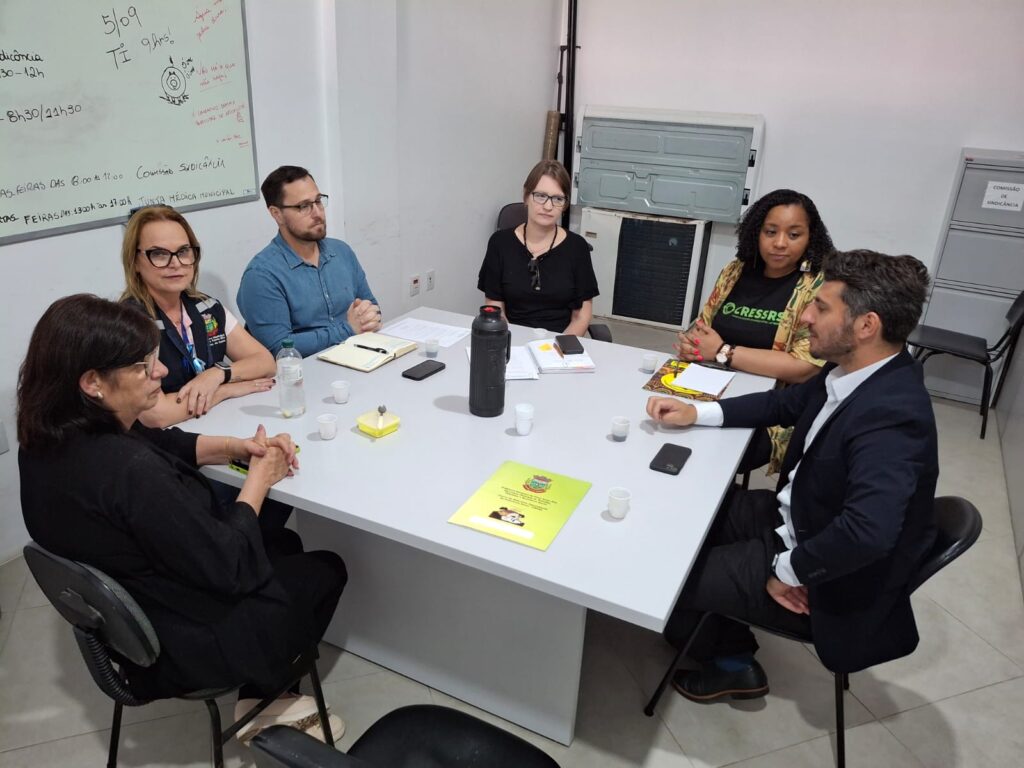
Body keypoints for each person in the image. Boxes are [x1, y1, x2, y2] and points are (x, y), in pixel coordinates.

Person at [17, 295, 347, 742]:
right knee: (326, 568)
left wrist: (235, 446)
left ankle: (267, 689)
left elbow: (164, 443)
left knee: (283, 545)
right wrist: (259, 479)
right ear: (93, 381)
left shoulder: (47, 442)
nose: (162, 373)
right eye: (142, 367)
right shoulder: (130, 473)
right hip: (183, 637)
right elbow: (229, 563)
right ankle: (263, 696)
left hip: (132, 615)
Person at [646, 250, 937, 703]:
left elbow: (868, 533)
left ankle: (731, 664)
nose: (804, 316)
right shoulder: (855, 370)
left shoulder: (894, 414)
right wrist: (696, 412)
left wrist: (788, 571)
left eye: (821, 307)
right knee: (681, 512)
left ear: (866, 325)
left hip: (822, 571)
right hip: (796, 517)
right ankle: (713, 626)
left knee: (669, 573)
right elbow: (780, 405)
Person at [675, 189, 835, 473]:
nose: (780, 243)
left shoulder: (817, 287)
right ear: (755, 233)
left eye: (794, 235)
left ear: (811, 237)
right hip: (710, 384)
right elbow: (704, 326)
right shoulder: (736, 271)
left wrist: (724, 352)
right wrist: (693, 345)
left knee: (710, 455)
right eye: (770, 232)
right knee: (663, 421)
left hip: (773, 408)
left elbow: (804, 367)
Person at [120, 205, 276, 428]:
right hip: (161, 445)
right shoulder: (128, 323)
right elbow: (156, 415)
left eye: (183, 251)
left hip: (212, 424)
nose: (175, 263)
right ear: (134, 261)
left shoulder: (207, 306)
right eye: (159, 254)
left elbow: (265, 362)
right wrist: (224, 390)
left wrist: (216, 375)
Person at [237, 165, 381, 357]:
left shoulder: (341, 252)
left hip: (360, 357)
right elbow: (279, 347)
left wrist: (370, 316)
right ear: (276, 214)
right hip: (304, 374)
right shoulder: (261, 275)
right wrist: (348, 329)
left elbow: (371, 306)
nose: (317, 213)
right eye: (304, 206)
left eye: (318, 201)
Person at [477, 160, 599, 335]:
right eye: (540, 196)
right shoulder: (500, 243)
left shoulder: (577, 248)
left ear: (564, 205)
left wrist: (558, 351)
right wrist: (512, 345)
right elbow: (495, 308)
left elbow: (581, 316)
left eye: (557, 199)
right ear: (526, 196)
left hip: (560, 344)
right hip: (511, 340)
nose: (548, 206)